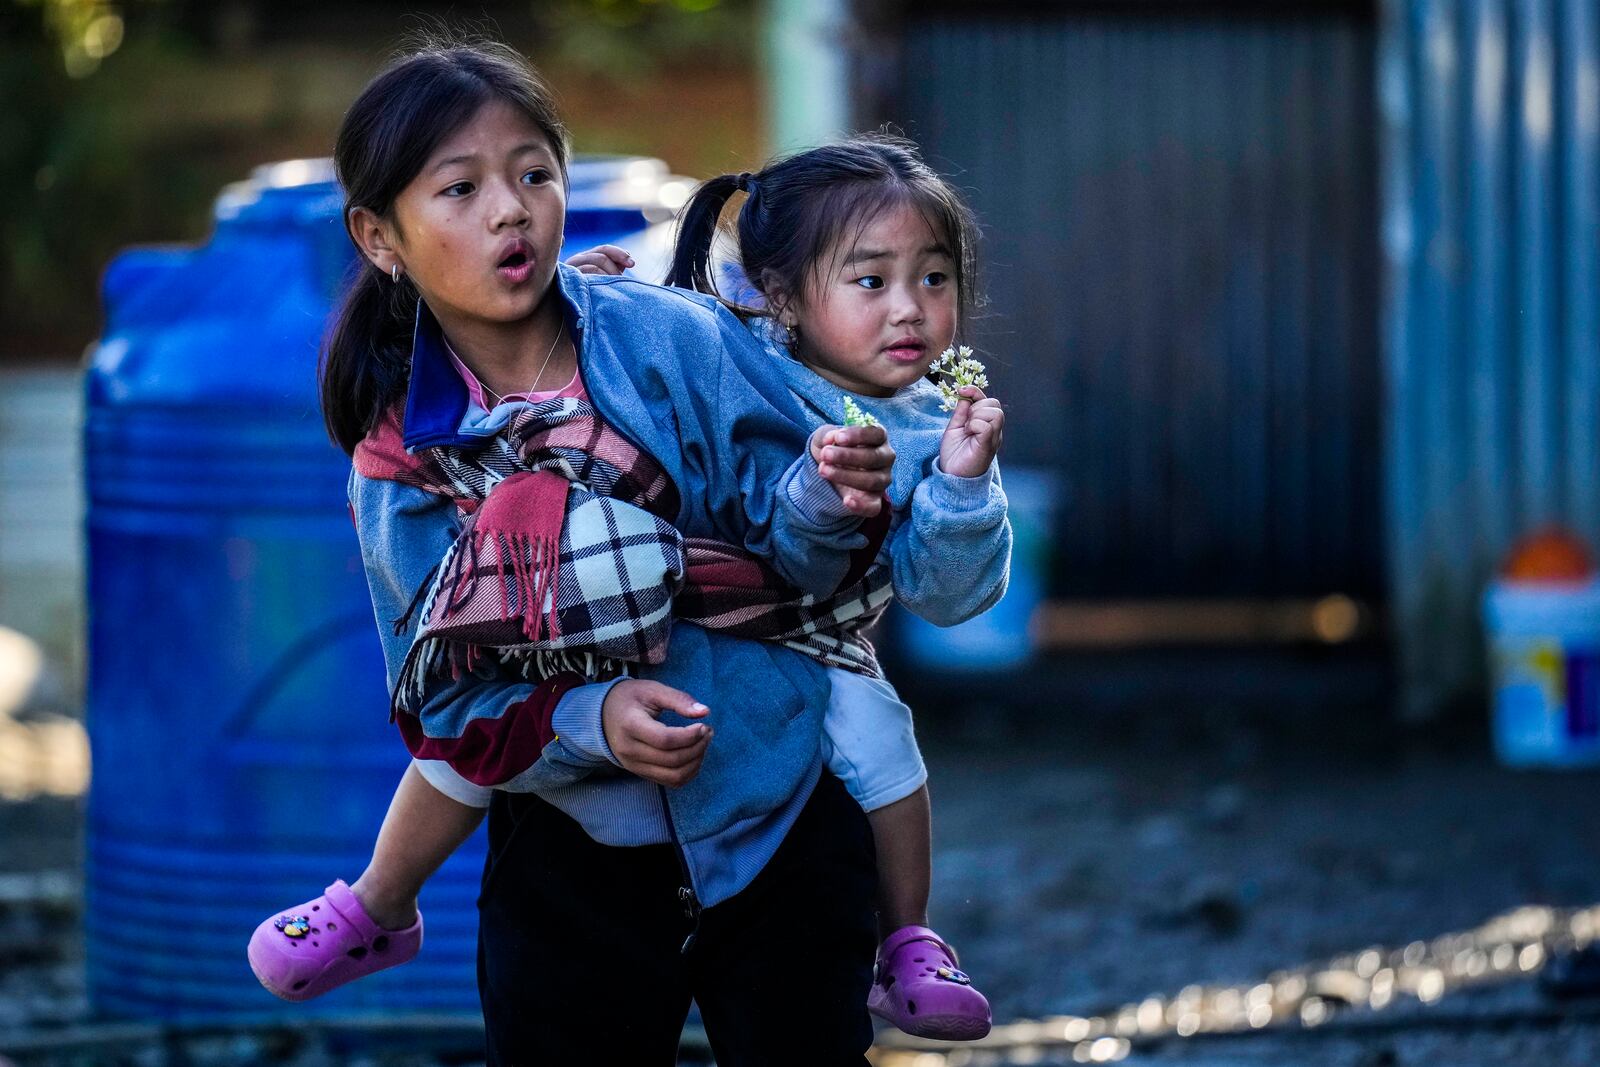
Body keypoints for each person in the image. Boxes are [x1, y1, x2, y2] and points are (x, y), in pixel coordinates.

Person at [246, 36, 897, 1065]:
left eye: (533, 174)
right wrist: (590, 714)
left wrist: (824, 497)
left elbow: (805, 563)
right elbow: (448, 701)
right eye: (459, 189)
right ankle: (376, 900)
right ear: (380, 237)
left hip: (778, 807)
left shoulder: (671, 340)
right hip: (569, 852)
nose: (511, 209)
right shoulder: (402, 460)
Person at [665, 135, 1010, 1040]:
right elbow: (636, 353)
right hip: (675, 637)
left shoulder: (943, 427)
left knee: (888, 744)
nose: (911, 309)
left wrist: (963, 486)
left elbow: (946, 595)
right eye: (871, 281)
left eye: (933, 279)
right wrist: (592, 288)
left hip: (818, 648)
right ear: (782, 297)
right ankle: (381, 898)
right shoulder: (734, 361)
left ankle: (907, 941)